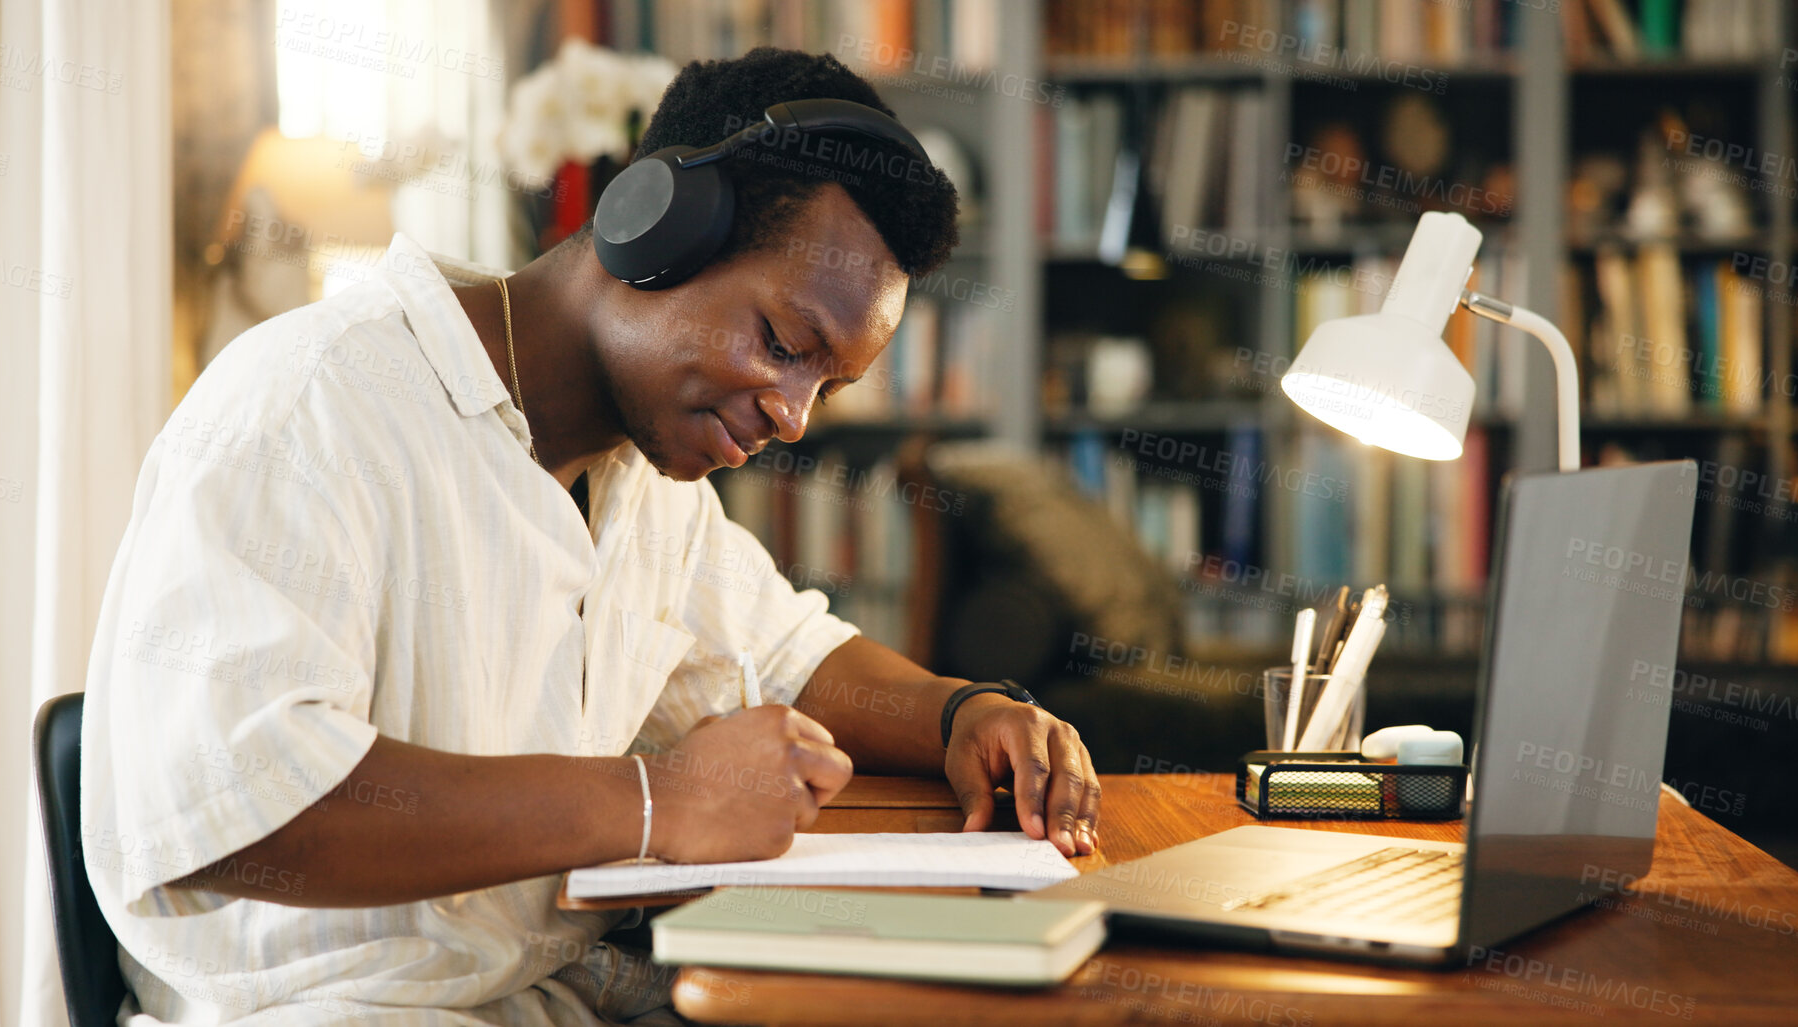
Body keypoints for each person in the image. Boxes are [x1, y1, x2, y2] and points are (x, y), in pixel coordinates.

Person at [81, 47, 1100, 1025]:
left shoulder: (643, 473)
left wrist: (962, 713)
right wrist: (655, 801)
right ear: (655, 227)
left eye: (825, 385)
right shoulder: (310, 404)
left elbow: (785, 656)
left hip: (568, 995)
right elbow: (236, 803)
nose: (794, 415)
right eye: (785, 345)